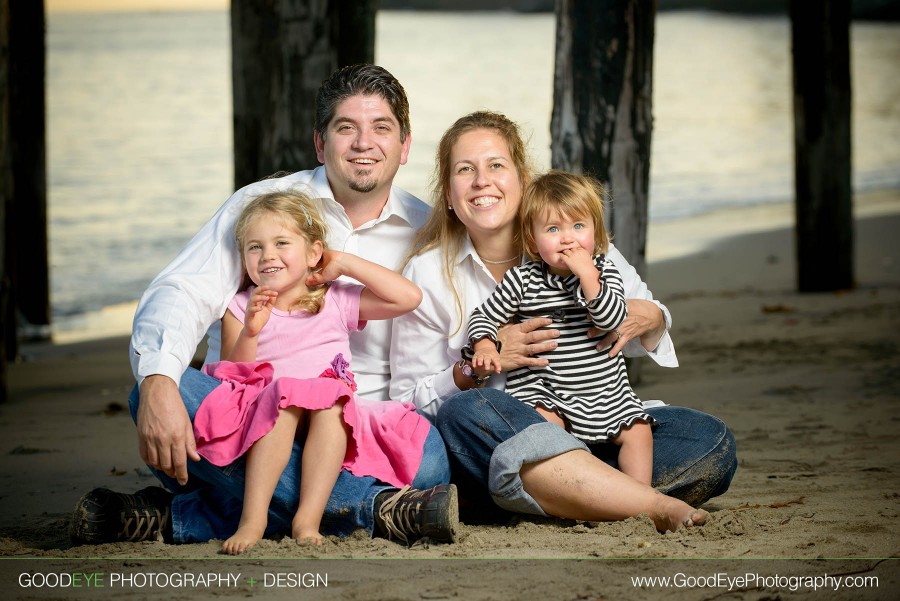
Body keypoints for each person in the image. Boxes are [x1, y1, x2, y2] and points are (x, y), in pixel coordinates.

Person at [70, 64, 456, 547]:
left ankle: (183, 517)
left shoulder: (429, 232)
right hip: (252, 417)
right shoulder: (263, 208)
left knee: (431, 462)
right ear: (320, 143)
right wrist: (158, 379)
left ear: (404, 146)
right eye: (346, 128)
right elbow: (181, 291)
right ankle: (371, 508)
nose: (363, 143)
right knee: (158, 390)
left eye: (381, 128)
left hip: (357, 428)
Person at [390, 111, 736, 531]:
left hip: (593, 424)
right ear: (448, 193)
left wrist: (653, 316)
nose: (482, 181)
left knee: (710, 440)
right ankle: (637, 503)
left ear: (522, 178)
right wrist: (474, 368)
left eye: (496, 165)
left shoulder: (572, 241)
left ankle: (565, 497)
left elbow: (645, 313)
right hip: (495, 437)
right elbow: (406, 403)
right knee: (467, 411)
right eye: (466, 170)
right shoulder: (426, 273)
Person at [194, 190, 444, 553]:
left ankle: (306, 519)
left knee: (333, 403)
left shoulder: (333, 298)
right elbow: (235, 377)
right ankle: (253, 518)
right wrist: (252, 329)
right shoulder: (242, 306)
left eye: (281, 243)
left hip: (330, 421)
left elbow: (407, 298)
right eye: (255, 247)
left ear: (313, 252)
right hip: (269, 418)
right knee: (281, 402)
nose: (268, 256)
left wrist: (343, 261)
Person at [466, 171, 653, 485]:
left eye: (579, 226)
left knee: (640, 432)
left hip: (607, 393)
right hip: (546, 392)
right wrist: (485, 345)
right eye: (553, 229)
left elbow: (610, 319)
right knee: (543, 431)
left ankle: (640, 499)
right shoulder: (522, 281)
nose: (568, 238)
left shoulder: (604, 271)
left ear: (597, 233)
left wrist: (588, 277)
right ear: (532, 241)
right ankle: (571, 484)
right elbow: (482, 316)